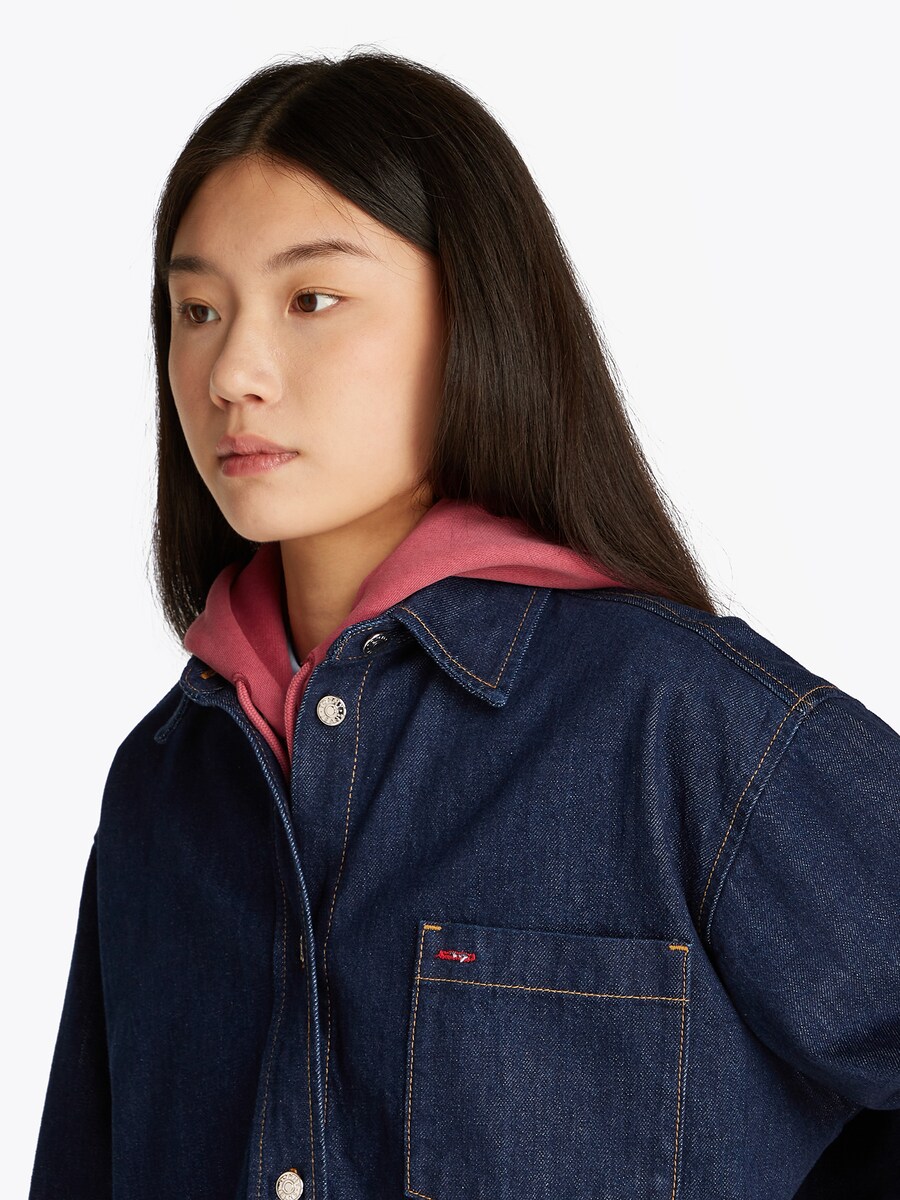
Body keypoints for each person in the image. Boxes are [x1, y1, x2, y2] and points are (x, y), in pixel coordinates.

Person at [29, 49, 899, 1200]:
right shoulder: (164, 782)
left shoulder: (681, 727)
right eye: (198, 310)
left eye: (311, 300)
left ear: (473, 318)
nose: (232, 370)